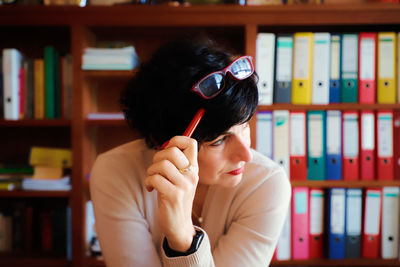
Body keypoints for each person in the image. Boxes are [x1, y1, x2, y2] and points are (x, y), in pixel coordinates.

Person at [89, 36, 291, 267]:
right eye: (218, 141)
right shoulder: (115, 173)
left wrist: (183, 238)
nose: (246, 155)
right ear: (163, 142)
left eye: (244, 126)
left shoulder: (266, 183)